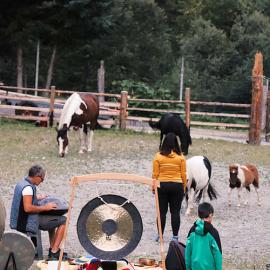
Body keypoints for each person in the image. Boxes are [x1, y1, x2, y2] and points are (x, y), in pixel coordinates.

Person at [10, 165, 67, 259]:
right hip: (27, 222)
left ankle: (52, 247)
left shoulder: (22, 183)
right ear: (36, 177)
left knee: (52, 218)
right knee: (64, 220)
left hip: (21, 218)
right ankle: (55, 251)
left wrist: (36, 198)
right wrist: (46, 207)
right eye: (42, 179)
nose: (42, 182)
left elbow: (23, 200)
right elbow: (27, 208)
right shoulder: (28, 189)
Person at [152, 132, 186, 242]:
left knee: (161, 212)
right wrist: (184, 187)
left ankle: (160, 236)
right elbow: (184, 174)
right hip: (177, 186)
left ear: (164, 143)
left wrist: (153, 187)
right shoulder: (181, 157)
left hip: (162, 185)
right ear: (177, 144)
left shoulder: (158, 156)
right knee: (175, 212)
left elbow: (155, 175)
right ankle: (175, 237)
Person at [185, 202, 222, 270]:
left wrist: (188, 268)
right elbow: (217, 254)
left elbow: (187, 252)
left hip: (194, 267)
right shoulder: (213, 232)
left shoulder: (192, 230)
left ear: (199, 215)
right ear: (210, 215)